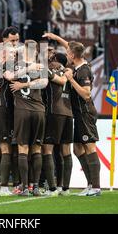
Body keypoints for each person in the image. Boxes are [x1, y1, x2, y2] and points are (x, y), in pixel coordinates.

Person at [43, 33, 101, 196]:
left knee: (90, 147)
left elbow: (87, 94)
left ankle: (95, 187)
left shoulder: (82, 71)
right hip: (77, 113)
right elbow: (71, 46)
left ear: (73, 56)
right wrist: (54, 36)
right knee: (77, 149)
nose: (66, 54)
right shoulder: (80, 62)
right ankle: (90, 185)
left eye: (68, 53)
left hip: (85, 112)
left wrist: (71, 79)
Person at [4, 40, 48, 196]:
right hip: (39, 110)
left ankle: (24, 187)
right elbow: (43, 83)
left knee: (23, 148)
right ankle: (34, 187)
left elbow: (9, 77)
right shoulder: (40, 64)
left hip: (22, 111)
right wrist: (30, 69)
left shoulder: (14, 64)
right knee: (37, 148)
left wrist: (22, 85)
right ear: (35, 50)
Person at [42, 52, 73, 196]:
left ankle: (52, 189)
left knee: (47, 150)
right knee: (66, 151)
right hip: (68, 113)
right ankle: (65, 188)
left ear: (53, 59)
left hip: (54, 112)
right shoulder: (68, 71)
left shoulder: (49, 69)